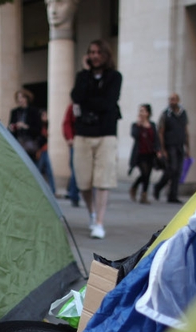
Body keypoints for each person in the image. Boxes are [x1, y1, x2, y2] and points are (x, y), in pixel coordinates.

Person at [70, 39, 122, 239]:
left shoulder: (115, 77)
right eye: (91, 52)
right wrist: (85, 73)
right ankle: (92, 212)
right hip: (83, 132)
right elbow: (76, 96)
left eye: (99, 52)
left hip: (106, 133)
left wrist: (88, 102)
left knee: (103, 179)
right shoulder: (82, 77)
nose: (94, 55)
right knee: (83, 181)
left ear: (106, 55)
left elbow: (108, 102)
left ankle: (99, 221)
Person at [154, 93, 190, 204]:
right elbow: (160, 132)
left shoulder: (183, 113)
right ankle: (158, 186)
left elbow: (186, 130)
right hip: (170, 145)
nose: (171, 101)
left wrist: (188, 147)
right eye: (170, 99)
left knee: (178, 171)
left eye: (174, 99)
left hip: (180, 145)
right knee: (172, 168)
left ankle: (173, 195)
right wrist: (162, 148)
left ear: (178, 100)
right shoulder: (166, 114)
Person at [128, 104, 160, 204]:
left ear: (148, 113)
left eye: (143, 111)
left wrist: (158, 150)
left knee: (147, 175)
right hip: (140, 154)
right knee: (144, 173)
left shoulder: (152, 125)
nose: (141, 113)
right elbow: (134, 135)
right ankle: (136, 189)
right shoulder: (136, 125)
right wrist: (139, 125)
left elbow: (156, 138)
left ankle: (143, 194)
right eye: (140, 111)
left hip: (150, 153)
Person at [8, 89, 43, 164]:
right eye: (18, 98)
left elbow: (38, 129)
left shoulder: (34, 111)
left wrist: (25, 127)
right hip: (17, 144)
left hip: (30, 146)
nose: (20, 100)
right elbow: (9, 127)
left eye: (22, 97)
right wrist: (12, 127)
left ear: (27, 98)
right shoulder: (14, 112)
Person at [62, 103, 80, 207]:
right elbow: (67, 123)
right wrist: (70, 138)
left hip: (86, 140)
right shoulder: (73, 107)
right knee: (75, 170)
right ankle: (74, 195)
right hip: (76, 142)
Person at [36, 109, 56, 194]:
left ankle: (53, 191)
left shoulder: (46, 125)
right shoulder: (39, 126)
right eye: (44, 115)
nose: (46, 117)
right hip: (41, 150)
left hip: (45, 150)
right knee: (38, 171)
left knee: (49, 172)